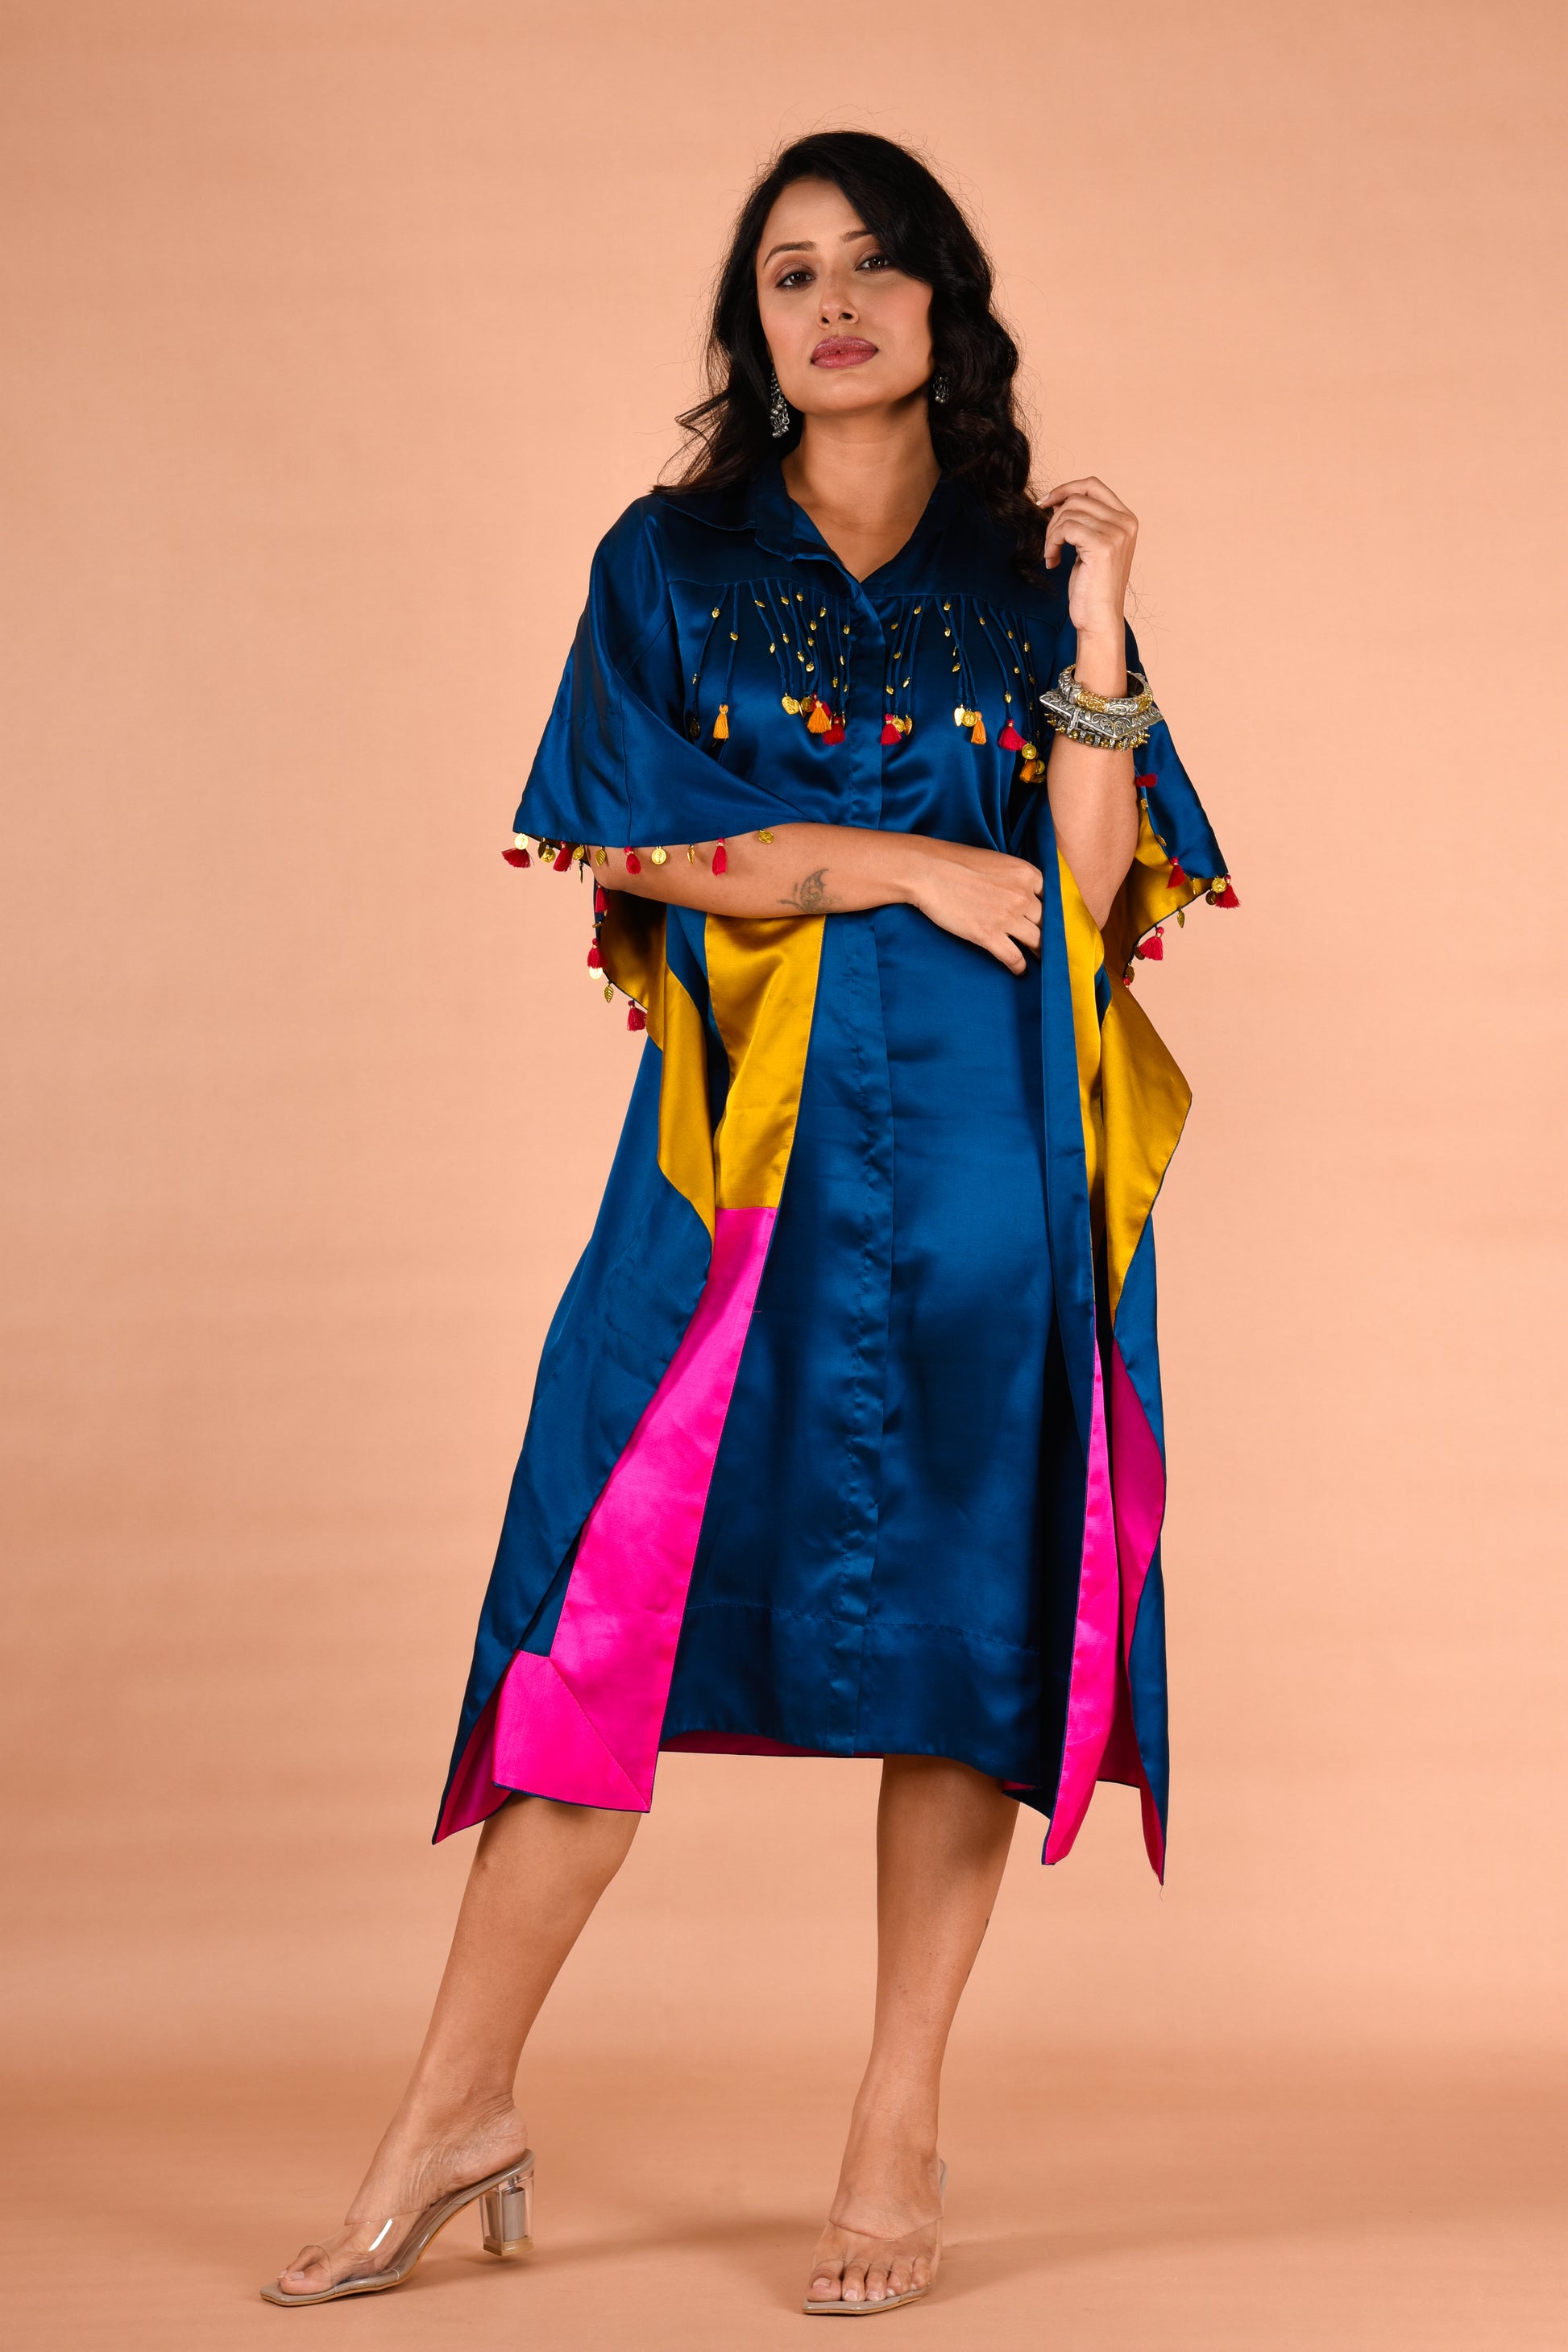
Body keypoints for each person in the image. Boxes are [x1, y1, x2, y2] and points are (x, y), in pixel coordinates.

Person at [265, 129, 1231, 2317]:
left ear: (943, 304)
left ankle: (894, 2127)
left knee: (970, 1630)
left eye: (877, 265)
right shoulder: (672, 560)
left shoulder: (1019, 570)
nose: (836, 303)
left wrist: (1096, 631)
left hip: (992, 1172)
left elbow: (1085, 899)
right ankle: (451, 2110)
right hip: (740, 1162)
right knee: (603, 1603)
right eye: (793, 271)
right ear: (753, 322)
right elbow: (631, 845)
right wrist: (887, 861)